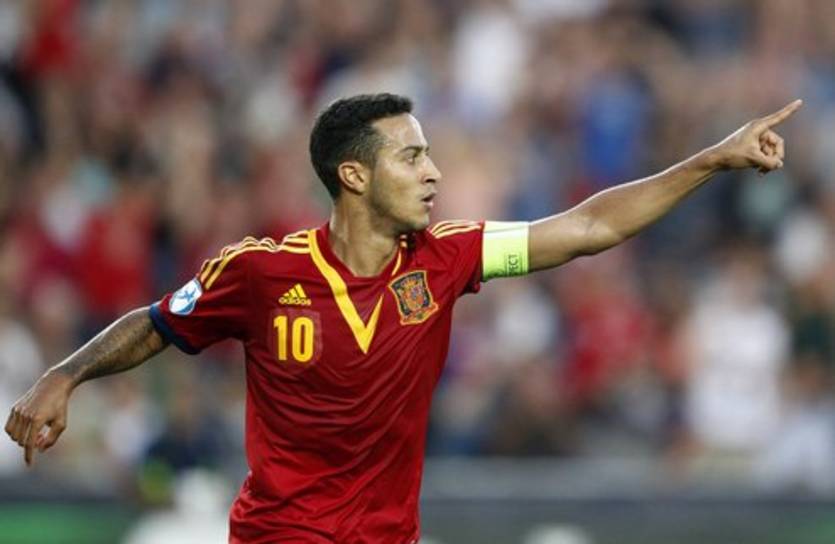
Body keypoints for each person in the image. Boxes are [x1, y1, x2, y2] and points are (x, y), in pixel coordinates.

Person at [6, 93, 801, 543]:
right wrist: (63, 375)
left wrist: (710, 159)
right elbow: (157, 322)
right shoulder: (258, 273)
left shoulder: (447, 258)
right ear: (354, 175)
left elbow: (588, 227)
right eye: (411, 157)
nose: (434, 172)